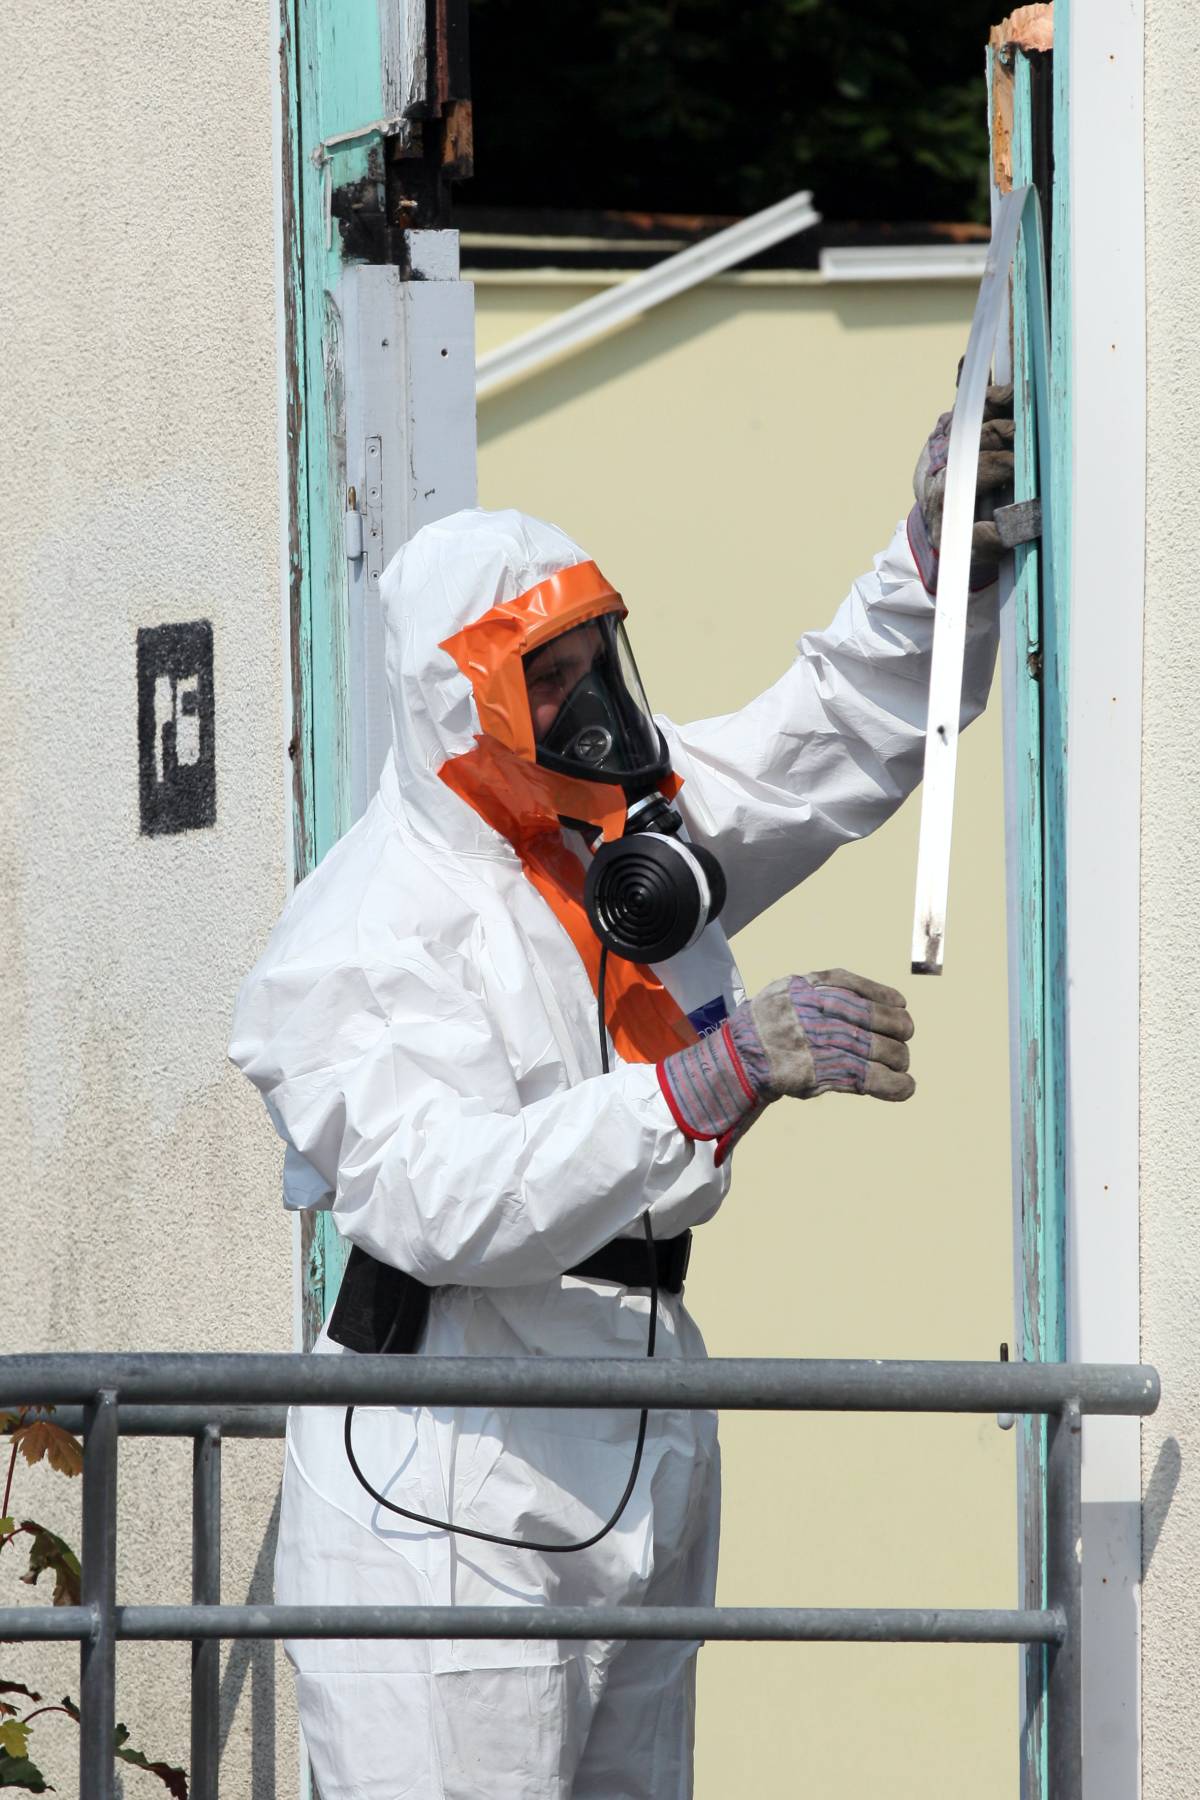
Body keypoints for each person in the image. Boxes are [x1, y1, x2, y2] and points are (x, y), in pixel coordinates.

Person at [229, 396, 1010, 1800]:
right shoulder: (356, 933)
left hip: (636, 1433)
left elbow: (827, 736)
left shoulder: (630, 835)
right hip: (447, 1489)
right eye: (554, 672)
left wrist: (935, 558)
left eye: (602, 657)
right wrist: (705, 1080)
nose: (596, 701)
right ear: (462, 699)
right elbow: (444, 1199)